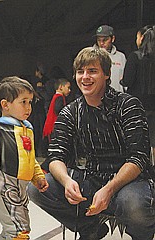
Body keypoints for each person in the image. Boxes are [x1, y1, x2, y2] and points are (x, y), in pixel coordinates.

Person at [28, 47, 155, 240]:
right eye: (80, 72)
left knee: (132, 203)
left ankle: (141, 236)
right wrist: (67, 181)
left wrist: (109, 189)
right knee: (38, 188)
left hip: (132, 181)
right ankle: (91, 229)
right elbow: (55, 156)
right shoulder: (71, 112)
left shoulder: (128, 105)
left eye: (92, 71)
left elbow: (139, 158)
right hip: (93, 177)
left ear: (106, 74)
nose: (85, 77)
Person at [0, 76, 49, 240]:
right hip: (4, 183)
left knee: (19, 226)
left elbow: (29, 157)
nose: (28, 107)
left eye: (30, 102)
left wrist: (38, 176)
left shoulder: (27, 127)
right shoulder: (0, 126)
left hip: (21, 185)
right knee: (17, 230)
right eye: (23, 102)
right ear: (5, 105)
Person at [121, 25, 155, 164]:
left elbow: (128, 80)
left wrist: (122, 81)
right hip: (153, 104)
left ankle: (138, 165)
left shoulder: (135, 57)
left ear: (141, 38)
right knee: (153, 137)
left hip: (136, 102)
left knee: (136, 136)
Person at [94, 24, 126, 92]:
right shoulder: (91, 56)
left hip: (117, 97)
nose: (102, 43)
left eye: (105, 40)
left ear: (113, 39)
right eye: (99, 40)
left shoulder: (121, 57)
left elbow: (125, 80)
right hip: (97, 97)